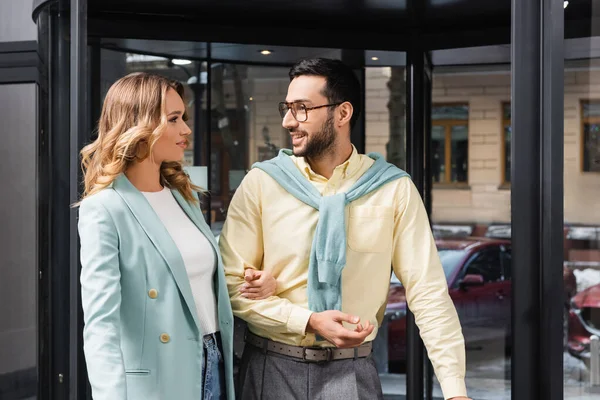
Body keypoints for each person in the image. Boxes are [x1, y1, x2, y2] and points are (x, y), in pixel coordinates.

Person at [219, 58, 470, 400]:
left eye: (302, 108)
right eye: (287, 108)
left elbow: (428, 293)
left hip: (353, 373)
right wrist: (307, 320)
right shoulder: (261, 184)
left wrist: (455, 390)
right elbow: (231, 286)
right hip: (269, 368)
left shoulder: (392, 189)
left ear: (342, 113)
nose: (288, 121)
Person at [77, 72, 276, 400]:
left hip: (213, 359)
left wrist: (256, 284)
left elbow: (196, 281)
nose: (186, 129)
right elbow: (101, 325)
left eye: (184, 117)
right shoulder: (105, 208)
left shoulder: (184, 196)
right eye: (173, 119)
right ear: (138, 125)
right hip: (158, 378)